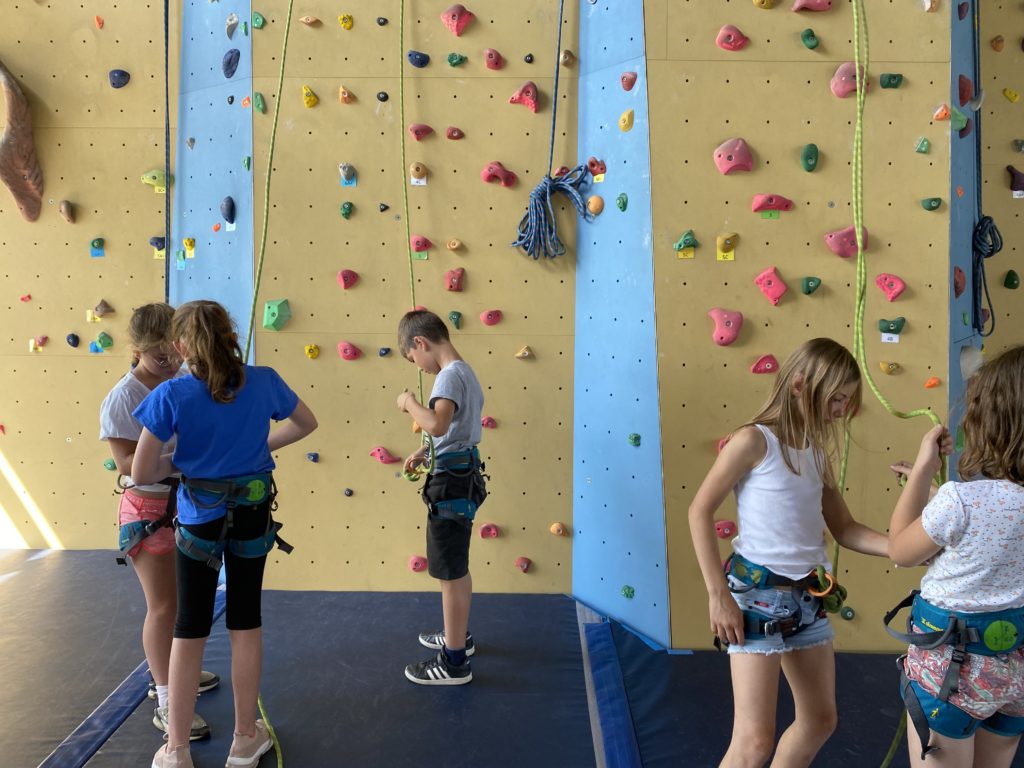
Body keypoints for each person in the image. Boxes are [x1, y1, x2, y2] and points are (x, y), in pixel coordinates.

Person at [131, 300, 317, 768]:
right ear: (231, 336)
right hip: (252, 508)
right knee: (244, 621)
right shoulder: (264, 380)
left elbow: (141, 470)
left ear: (179, 346)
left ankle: (176, 749)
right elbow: (306, 423)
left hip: (199, 517)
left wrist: (181, 464)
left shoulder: (173, 394)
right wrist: (260, 446)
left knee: (189, 627)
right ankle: (245, 738)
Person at [688, 337, 889, 768]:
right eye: (836, 398)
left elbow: (845, 527)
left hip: (807, 600)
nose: (842, 410)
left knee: (820, 719)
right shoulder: (754, 441)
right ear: (799, 386)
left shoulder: (817, 452)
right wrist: (717, 594)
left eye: (848, 401)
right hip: (756, 598)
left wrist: (901, 548)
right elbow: (699, 510)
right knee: (754, 743)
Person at [888, 345, 1024, 768]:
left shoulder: (961, 501)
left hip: (953, 670)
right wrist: (933, 495)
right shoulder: (972, 504)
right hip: (1014, 670)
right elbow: (998, 525)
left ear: (989, 421)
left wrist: (926, 468)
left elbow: (900, 550)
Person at [99, 302, 217, 741]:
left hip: (185, 503)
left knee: (183, 603)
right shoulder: (124, 397)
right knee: (163, 606)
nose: (170, 363)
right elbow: (126, 465)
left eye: (175, 353)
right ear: (137, 350)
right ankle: (167, 697)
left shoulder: (182, 380)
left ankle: (175, 670)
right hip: (148, 509)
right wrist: (181, 458)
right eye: (158, 357)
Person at [395, 309, 486, 685]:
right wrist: (426, 452)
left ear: (421, 343)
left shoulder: (448, 376)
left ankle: (453, 663)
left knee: (448, 573)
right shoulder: (464, 372)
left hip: (451, 483)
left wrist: (408, 403)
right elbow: (452, 433)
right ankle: (457, 638)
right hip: (460, 473)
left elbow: (437, 423)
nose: (421, 368)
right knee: (456, 567)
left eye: (415, 359)